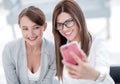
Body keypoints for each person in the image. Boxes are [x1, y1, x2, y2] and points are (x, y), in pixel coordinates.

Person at [52, 0, 115, 84]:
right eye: (59, 25)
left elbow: (104, 73)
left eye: (69, 22)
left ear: (79, 19)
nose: (64, 29)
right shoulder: (63, 48)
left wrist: (93, 74)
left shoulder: (97, 43)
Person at [2, 6, 56, 84]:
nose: (31, 34)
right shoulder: (9, 50)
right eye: (25, 29)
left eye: (36, 27)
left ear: (44, 27)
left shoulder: (53, 50)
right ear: (20, 28)